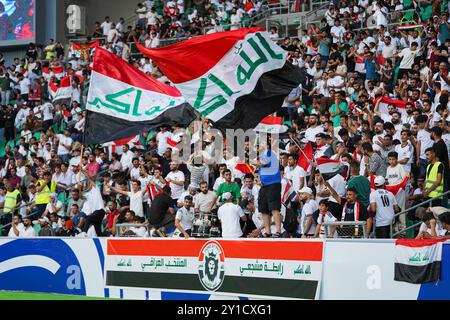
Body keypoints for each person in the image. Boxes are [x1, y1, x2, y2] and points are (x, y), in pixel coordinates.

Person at [254, 139, 282, 237]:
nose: (260, 145)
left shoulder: (270, 153)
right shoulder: (263, 156)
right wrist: (259, 180)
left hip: (273, 184)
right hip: (264, 185)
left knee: (274, 208)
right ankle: (268, 231)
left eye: (262, 143)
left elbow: (262, 164)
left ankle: (278, 231)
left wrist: (251, 161)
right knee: (263, 209)